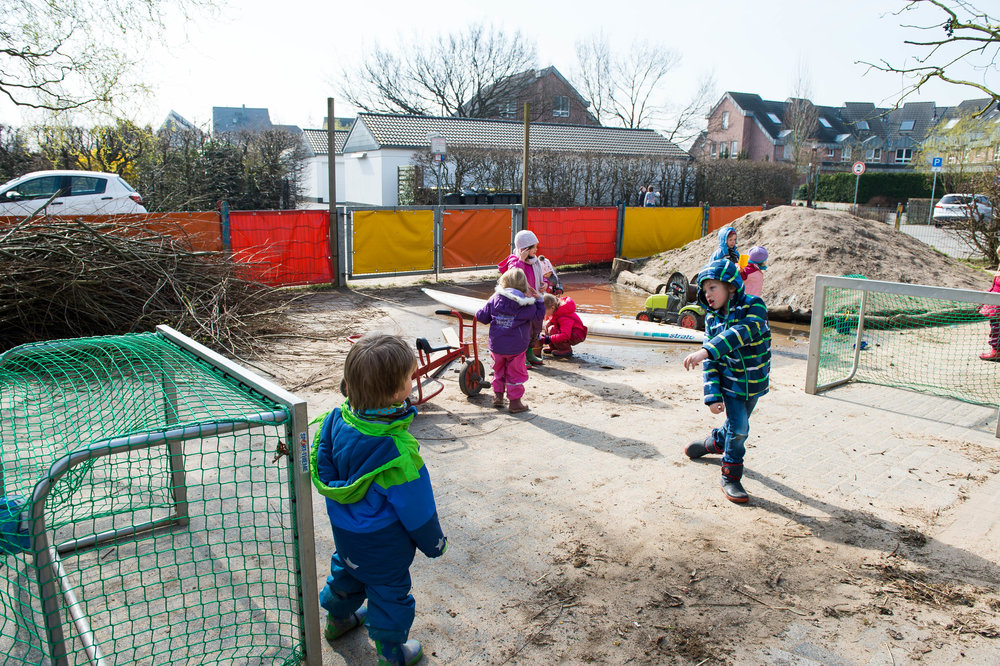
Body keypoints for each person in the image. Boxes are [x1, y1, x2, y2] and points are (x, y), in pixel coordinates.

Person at [311, 333, 446, 666]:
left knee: (347, 571)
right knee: (389, 593)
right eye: (410, 378)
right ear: (397, 393)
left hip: (346, 535)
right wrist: (434, 543)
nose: (412, 383)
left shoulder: (334, 421)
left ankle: (338, 620)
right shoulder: (398, 453)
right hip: (385, 544)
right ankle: (391, 652)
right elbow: (418, 509)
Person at [682, 259, 771, 504]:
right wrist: (712, 396)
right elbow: (711, 362)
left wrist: (707, 350)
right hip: (731, 384)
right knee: (740, 429)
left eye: (713, 288)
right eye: (704, 290)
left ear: (731, 286)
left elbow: (742, 332)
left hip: (755, 382)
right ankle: (730, 476)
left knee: (735, 427)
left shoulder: (754, 306)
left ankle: (715, 443)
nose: (707, 294)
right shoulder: (712, 320)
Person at [476, 268, 545, 412]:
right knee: (515, 374)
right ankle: (515, 403)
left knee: (498, 370)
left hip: (497, 346)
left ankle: (498, 397)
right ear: (524, 285)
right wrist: (539, 299)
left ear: (504, 282)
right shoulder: (527, 304)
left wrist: (490, 302)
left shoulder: (496, 299)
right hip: (516, 347)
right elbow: (538, 316)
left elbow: (481, 317)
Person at [498, 230, 550, 366]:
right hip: (521, 302)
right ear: (524, 249)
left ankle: (530, 352)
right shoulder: (515, 261)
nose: (536, 250)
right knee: (523, 330)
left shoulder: (535, 262)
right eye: (533, 247)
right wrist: (521, 260)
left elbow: (542, 277)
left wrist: (545, 284)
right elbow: (514, 275)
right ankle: (521, 356)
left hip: (535, 300)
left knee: (535, 327)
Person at [540, 293, 588, 358]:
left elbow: (565, 335)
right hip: (569, 332)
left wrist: (549, 339)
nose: (542, 313)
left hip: (576, 335)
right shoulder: (555, 310)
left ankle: (565, 350)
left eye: (543, 311)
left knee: (552, 329)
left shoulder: (563, 317)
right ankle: (553, 347)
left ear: (552, 308)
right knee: (548, 324)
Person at [980, 247, 1000, 361]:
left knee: (997, 327)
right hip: (995, 302)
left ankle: (997, 351)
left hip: (998, 305)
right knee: (995, 325)